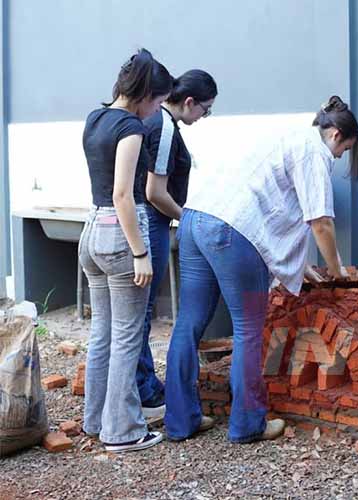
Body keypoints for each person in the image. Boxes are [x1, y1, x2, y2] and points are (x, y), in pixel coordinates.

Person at [163, 95, 358, 443]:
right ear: (334, 136)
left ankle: (180, 422)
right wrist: (338, 271)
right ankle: (247, 424)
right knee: (248, 330)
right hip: (232, 231)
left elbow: (275, 204)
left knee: (188, 323)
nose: (338, 157)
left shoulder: (283, 134)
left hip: (194, 220)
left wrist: (301, 267)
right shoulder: (313, 150)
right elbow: (320, 223)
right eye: (342, 150)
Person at [80, 48, 172, 452]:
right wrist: (140, 252)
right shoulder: (130, 128)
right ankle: (123, 431)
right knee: (127, 335)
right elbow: (123, 194)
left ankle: (95, 420)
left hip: (91, 233)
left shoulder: (95, 119)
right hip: (121, 234)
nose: (157, 110)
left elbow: (105, 192)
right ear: (145, 95)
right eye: (157, 101)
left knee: (102, 333)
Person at [135, 69, 218, 424]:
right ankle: (147, 393)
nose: (204, 117)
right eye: (206, 109)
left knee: (134, 315)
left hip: (140, 222)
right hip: (152, 224)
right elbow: (156, 193)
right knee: (142, 313)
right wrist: (187, 218)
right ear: (189, 102)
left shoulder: (152, 119)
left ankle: (141, 388)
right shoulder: (166, 127)